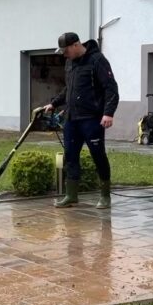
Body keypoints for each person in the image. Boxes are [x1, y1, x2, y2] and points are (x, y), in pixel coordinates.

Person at [43, 32, 119, 209]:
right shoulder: (70, 63)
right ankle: (71, 195)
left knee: (98, 155)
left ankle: (105, 196)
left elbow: (111, 88)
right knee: (70, 156)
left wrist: (108, 113)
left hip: (92, 119)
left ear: (76, 45)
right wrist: (54, 103)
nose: (64, 54)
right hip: (72, 119)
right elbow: (69, 89)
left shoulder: (97, 60)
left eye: (66, 50)